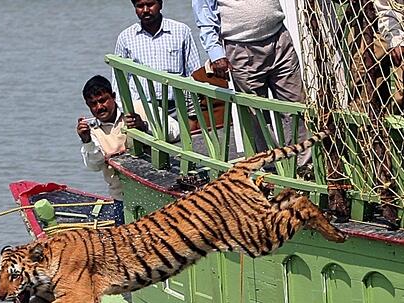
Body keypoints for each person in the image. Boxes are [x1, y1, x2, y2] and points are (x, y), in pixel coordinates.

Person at [192, 0, 310, 165]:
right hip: (241, 47)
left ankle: (304, 165)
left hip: (279, 37)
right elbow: (205, 14)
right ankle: (273, 168)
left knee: (295, 105)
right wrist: (216, 53)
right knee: (257, 113)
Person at [77, 75, 180, 225]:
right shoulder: (91, 130)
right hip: (124, 200)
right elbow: (94, 166)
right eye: (93, 104)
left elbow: (175, 131)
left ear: (113, 96)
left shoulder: (138, 107)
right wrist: (86, 140)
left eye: (103, 100)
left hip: (161, 190)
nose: (99, 107)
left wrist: (144, 127)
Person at [112, 0, 201, 124]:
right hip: (142, 111)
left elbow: (194, 73)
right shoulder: (126, 37)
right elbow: (119, 81)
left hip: (177, 109)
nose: (145, 10)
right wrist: (124, 112)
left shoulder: (181, 31)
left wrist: (193, 114)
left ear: (160, 4)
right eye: (140, 6)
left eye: (150, 4)